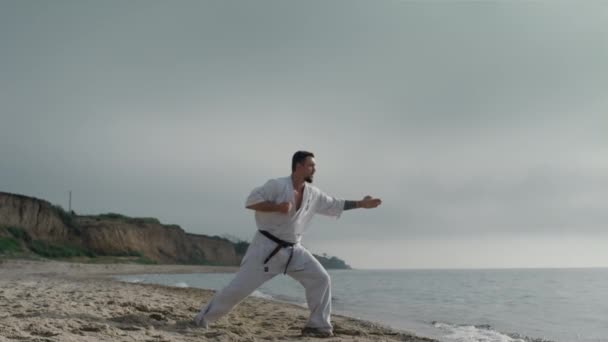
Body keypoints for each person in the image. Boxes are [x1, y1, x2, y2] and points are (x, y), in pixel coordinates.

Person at [194, 151, 382, 337]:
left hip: (294, 249)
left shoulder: (313, 193)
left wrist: (361, 204)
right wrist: (277, 207)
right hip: (266, 248)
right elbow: (251, 202)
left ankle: (318, 325)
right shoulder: (276, 185)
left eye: (314, 166)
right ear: (298, 166)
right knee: (238, 289)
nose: (314, 169)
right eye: (311, 165)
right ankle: (201, 319)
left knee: (321, 279)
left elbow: (335, 204)